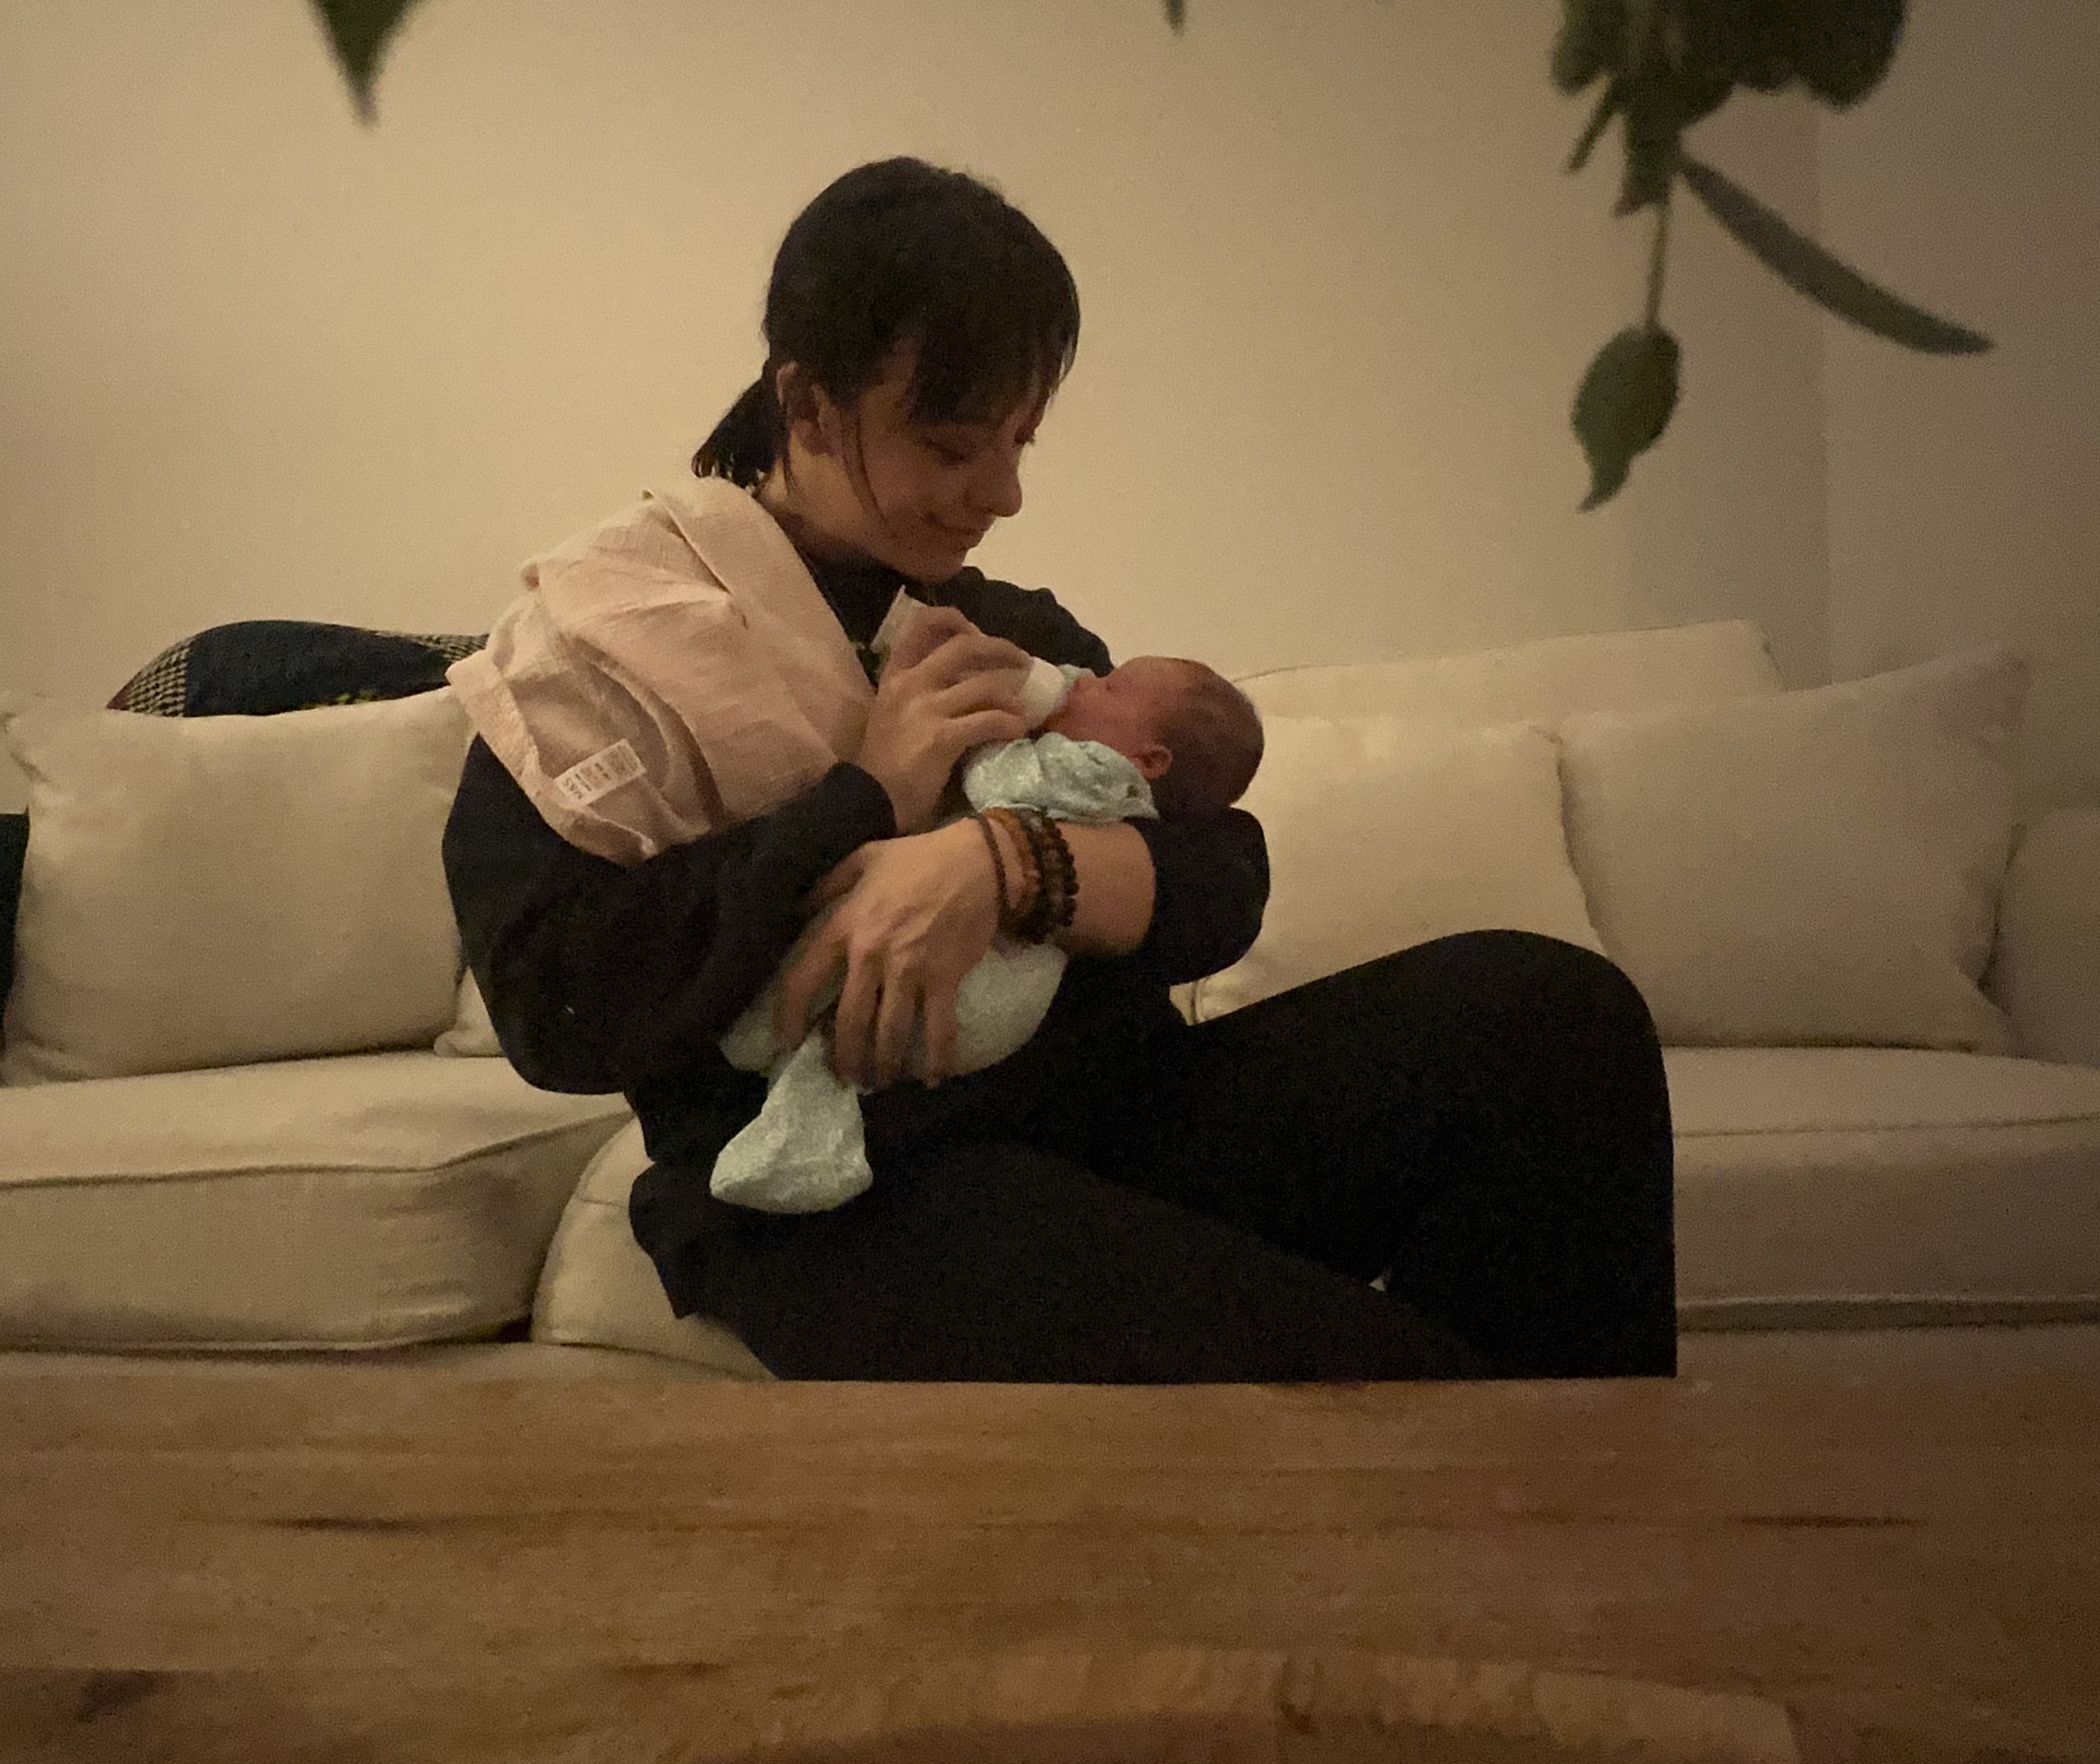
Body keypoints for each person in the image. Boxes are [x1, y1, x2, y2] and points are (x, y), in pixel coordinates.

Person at [442, 157, 1678, 1386]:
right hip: (844, 1183)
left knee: (1552, 1017)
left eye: (1020, 441)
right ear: (807, 404)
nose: (1005, 493)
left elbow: (1220, 874)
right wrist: (864, 798)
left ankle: (1578, 1487)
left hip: (1118, 1113)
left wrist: (1003, 862)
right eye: (953, 445)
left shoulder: (1002, 627)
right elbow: (561, 1012)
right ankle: (1526, 1484)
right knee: (1380, 1387)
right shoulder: (608, 649)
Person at [708, 648, 1267, 1214]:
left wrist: (985, 766)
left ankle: (795, 1113)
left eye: (1110, 687)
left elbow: (1230, 875)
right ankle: (795, 1120)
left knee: (851, 1018)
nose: (1082, 678)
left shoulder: (1091, 771)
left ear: (1150, 761)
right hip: (983, 1104)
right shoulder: (1099, 764)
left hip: (999, 997)